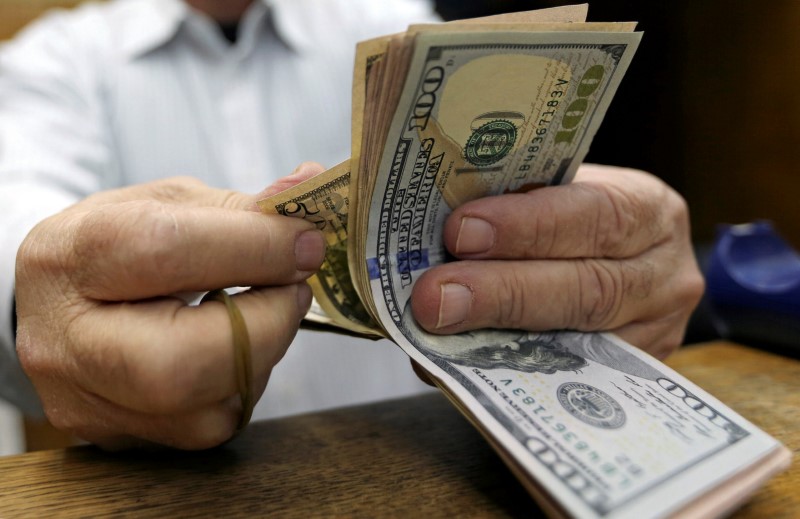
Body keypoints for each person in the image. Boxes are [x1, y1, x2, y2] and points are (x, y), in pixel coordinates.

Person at [0, 0, 704, 450]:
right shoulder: (54, 63)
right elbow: (13, 208)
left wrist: (605, 255)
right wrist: (28, 292)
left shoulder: (394, 20)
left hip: (422, 475)